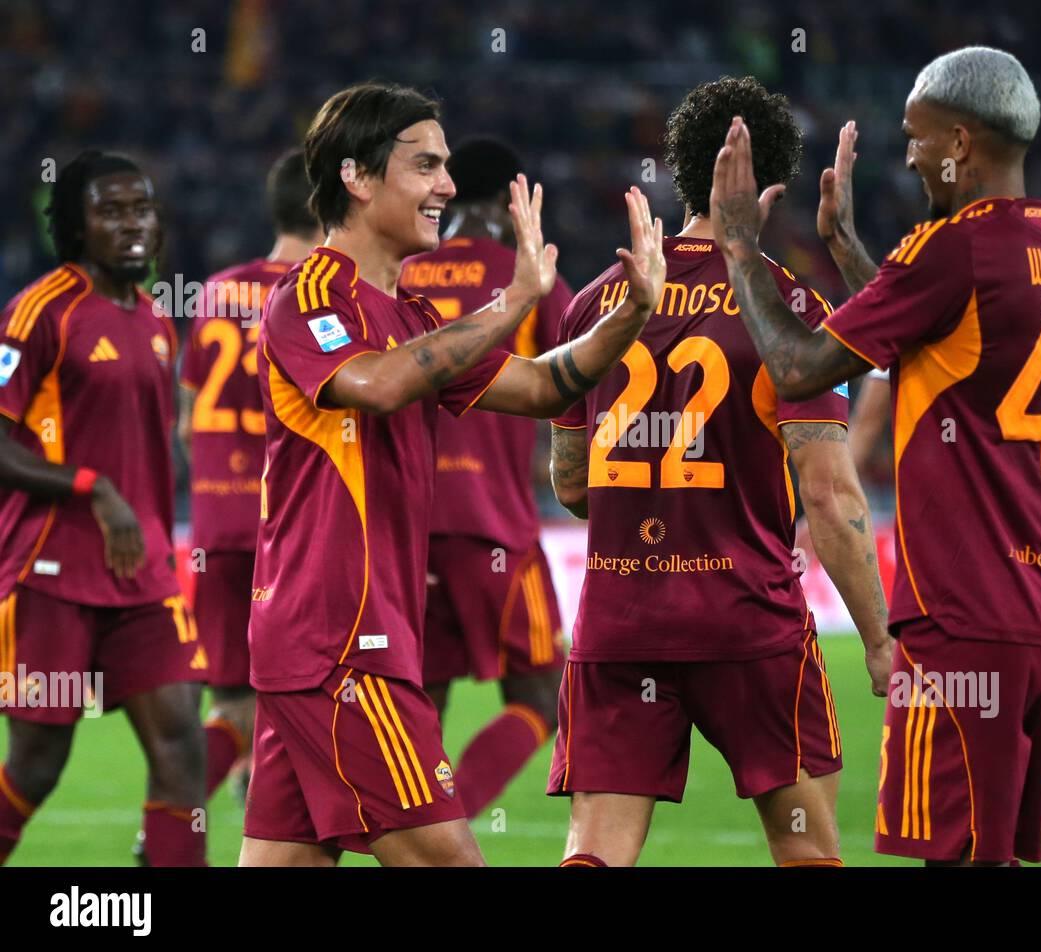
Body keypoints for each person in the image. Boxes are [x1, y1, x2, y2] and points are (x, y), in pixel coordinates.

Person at [238, 81, 665, 867]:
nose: (445, 186)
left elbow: (540, 386)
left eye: (445, 168)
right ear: (357, 178)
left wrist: (630, 316)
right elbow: (377, 385)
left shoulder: (414, 317)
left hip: (329, 637)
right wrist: (511, 301)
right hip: (339, 639)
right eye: (425, 166)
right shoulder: (307, 296)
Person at [711, 47, 1041, 865]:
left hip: (966, 611)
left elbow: (797, 367)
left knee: (949, 857)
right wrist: (855, 253)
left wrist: (742, 248)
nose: (911, 155)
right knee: (981, 855)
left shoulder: (952, 247)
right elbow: (943, 341)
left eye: (917, 139)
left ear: (961, 142)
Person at [547, 76, 892, 868]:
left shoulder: (598, 301)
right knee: (805, 849)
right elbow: (831, 493)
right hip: (747, 621)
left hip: (619, 622)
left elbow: (571, 486)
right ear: (771, 186)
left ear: (681, 171)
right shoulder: (794, 313)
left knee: (594, 853)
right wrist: (879, 638)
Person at [0, 150, 207, 866]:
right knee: (37, 760)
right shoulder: (38, 313)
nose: (131, 226)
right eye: (111, 212)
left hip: (142, 575)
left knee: (181, 740)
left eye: (141, 209)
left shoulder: (155, 319)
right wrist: (95, 488)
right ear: (77, 227)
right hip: (51, 567)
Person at [400, 138, 573, 818]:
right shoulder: (526, 276)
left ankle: (415, 838)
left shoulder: (404, 272)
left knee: (422, 701)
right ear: (512, 200)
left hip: (405, 528)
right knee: (541, 697)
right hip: (493, 523)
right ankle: (454, 827)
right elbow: (577, 381)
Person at [178, 147, 323, 802]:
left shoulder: (215, 291)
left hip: (214, 526)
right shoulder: (320, 295)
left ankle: (170, 826)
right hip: (290, 527)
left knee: (233, 702)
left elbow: (186, 424)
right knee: (314, 693)